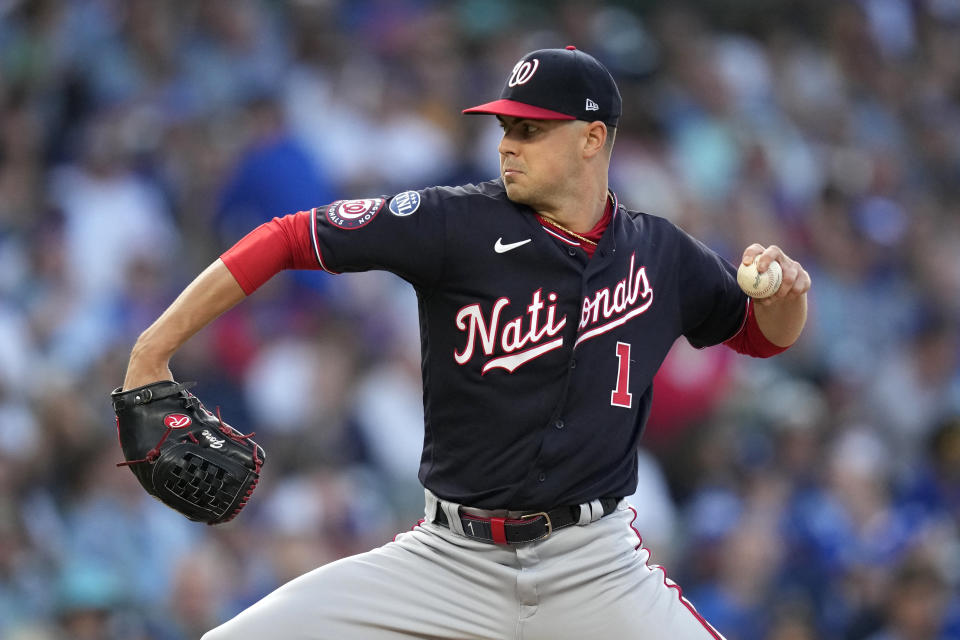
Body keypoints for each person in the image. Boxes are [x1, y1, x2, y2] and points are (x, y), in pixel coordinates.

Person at [121, 47, 810, 640]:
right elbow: (286, 237)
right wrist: (152, 349)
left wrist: (790, 297)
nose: (507, 142)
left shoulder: (661, 254)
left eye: (532, 130)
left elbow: (760, 337)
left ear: (593, 139)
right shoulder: (454, 223)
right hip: (449, 559)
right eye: (506, 125)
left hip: (595, 566)